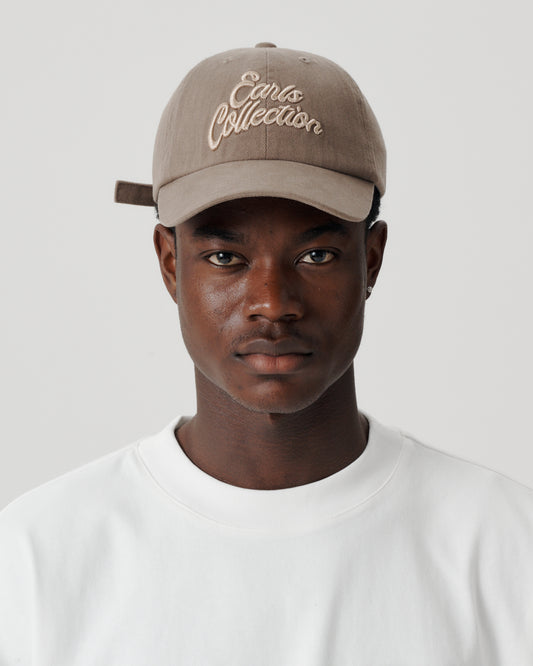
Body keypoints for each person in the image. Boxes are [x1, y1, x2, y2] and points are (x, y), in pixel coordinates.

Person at [1, 42, 532, 665]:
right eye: (226, 257)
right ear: (171, 264)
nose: (273, 303)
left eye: (317, 255)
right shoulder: (38, 557)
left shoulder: (504, 544)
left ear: (372, 260)